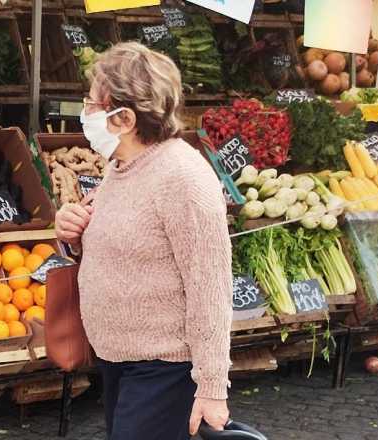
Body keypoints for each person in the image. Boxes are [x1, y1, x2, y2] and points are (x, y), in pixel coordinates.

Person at [54, 42, 232, 440]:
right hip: (118, 360)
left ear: (125, 118)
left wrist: (212, 387)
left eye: (93, 103)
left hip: (164, 368)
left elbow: (211, 288)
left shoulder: (184, 178)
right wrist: (73, 234)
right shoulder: (119, 166)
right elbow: (127, 245)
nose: (85, 110)